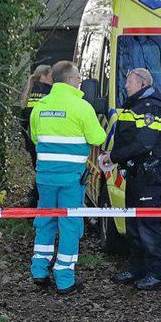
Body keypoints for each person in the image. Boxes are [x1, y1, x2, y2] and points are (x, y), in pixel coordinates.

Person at [29, 61, 106, 295]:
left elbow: (35, 138)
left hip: (45, 177)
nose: (80, 82)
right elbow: (97, 136)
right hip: (71, 180)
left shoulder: (40, 106)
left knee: (45, 222)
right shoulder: (81, 107)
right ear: (71, 80)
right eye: (79, 78)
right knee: (70, 226)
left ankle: (39, 272)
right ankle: (64, 279)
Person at [103, 68, 161, 290]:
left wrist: (113, 157)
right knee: (133, 225)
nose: (126, 86)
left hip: (148, 176)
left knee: (148, 226)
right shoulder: (135, 105)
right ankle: (136, 269)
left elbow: (145, 143)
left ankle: (155, 273)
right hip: (135, 174)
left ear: (142, 83)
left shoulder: (153, 108)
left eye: (129, 82)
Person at [19, 65, 53, 207]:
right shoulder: (49, 93)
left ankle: (32, 202)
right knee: (45, 174)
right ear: (43, 76)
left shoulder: (29, 92)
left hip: (32, 141)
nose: (53, 79)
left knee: (40, 172)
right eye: (51, 75)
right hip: (45, 141)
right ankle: (32, 203)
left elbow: (22, 121)